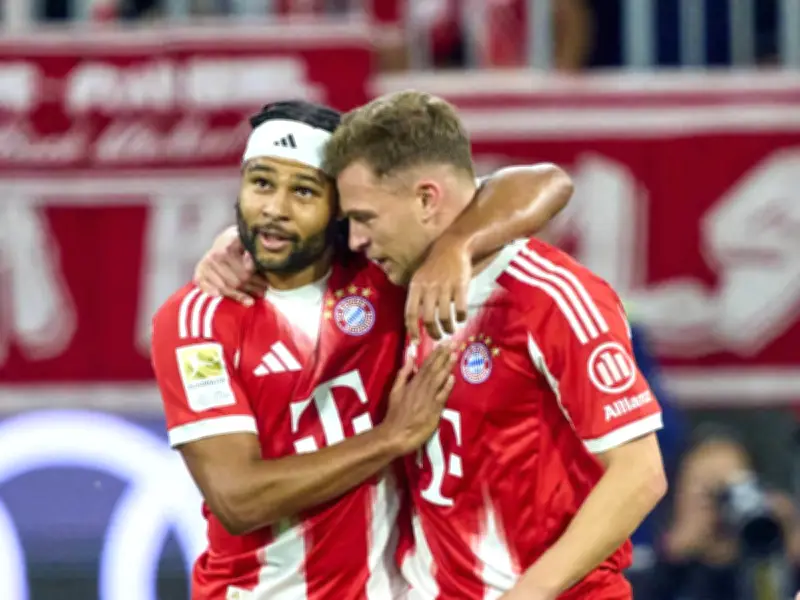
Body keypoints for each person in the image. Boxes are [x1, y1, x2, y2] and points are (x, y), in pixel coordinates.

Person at [195, 91, 667, 600]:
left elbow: (640, 475)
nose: (354, 240)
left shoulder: (549, 296)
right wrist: (236, 240)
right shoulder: (395, 288)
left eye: (366, 218)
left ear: (425, 200)